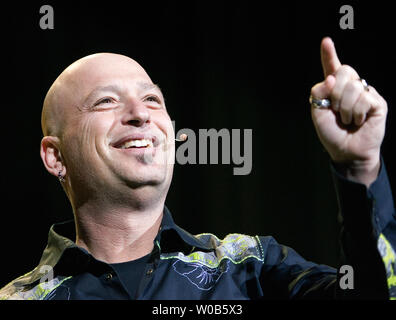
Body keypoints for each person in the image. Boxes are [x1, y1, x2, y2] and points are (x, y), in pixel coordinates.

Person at [0, 37, 395, 300]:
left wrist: (360, 169)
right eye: (106, 102)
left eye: (153, 99)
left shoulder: (249, 266)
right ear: (55, 157)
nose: (140, 114)